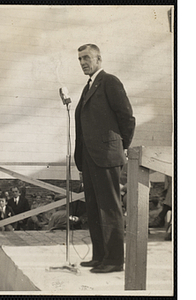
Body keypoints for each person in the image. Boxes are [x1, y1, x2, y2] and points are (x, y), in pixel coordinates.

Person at [74, 44, 135, 273]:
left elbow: (127, 117)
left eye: (86, 58)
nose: (82, 62)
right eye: (79, 59)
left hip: (107, 156)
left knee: (109, 209)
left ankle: (114, 261)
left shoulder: (109, 81)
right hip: (89, 158)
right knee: (93, 208)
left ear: (99, 58)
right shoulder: (88, 86)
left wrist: (120, 146)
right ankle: (100, 256)